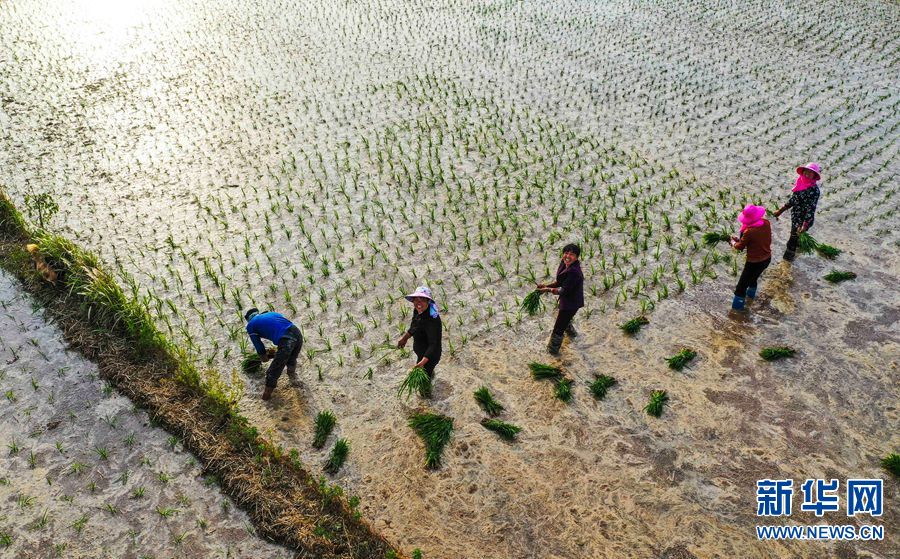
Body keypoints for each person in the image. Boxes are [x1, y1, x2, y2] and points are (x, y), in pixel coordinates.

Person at [244, 308, 303, 400]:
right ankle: (293, 379)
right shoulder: (271, 314)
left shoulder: (250, 325)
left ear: (248, 319)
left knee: (272, 373)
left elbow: (259, 347)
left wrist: (264, 357)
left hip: (286, 340)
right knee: (291, 359)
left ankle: (266, 399)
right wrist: (275, 354)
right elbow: (283, 328)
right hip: (297, 333)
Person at [537, 243, 584, 355]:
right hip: (566, 300)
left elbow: (563, 290)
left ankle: (552, 352)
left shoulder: (575, 272)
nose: (568, 256)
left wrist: (547, 290)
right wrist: (546, 285)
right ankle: (573, 335)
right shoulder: (564, 263)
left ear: (577, 257)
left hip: (571, 303)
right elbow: (560, 282)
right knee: (564, 320)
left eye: (572, 254)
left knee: (558, 328)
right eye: (566, 253)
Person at [772, 162, 821, 261]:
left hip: (804, 219)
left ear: (814, 176)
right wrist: (781, 211)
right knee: (794, 237)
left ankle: (787, 261)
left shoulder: (814, 190)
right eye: (806, 171)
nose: (807, 174)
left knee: (792, 241)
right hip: (796, 215)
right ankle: (797, 247)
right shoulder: (800, 182)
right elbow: (793, 200)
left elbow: (811, 208)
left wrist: (804, 224)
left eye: (810, 173)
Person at [729, 204, 772, 311]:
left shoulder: (749, 231)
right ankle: (750, 300)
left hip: (754, 262)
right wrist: (740, 240)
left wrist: (732, 242)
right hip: (766, 259)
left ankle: (736, 314)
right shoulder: (766, 223)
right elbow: (754, 241)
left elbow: (740, 247)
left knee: (740, 288)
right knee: (753, 280)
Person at [397, 286, 442, 378]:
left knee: (425, 377)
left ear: (428, 301)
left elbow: (433, 344)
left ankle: (426, 389)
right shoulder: (417, 310)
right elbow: (414, 326)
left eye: (422, 299)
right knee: (425, 372)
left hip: (430, 356)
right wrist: (404, 339)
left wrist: (423, 362)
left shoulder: (432, 320)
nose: (418, 303)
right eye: (416, 299)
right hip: (421, 352)